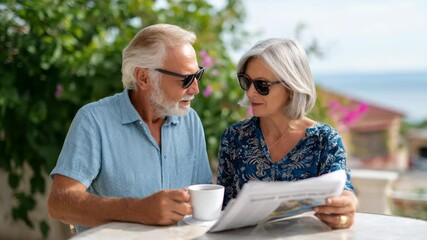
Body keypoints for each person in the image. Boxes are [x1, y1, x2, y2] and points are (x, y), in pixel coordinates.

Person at [47, 24, 212, 233]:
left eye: (198, 75)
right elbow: (60, 203)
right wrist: (137, 210)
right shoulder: (94, 120)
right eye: (185, 79)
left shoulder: (191, 121)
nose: (195, 88)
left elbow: (200, 200)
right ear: (143, 78)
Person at [216, 38, 358, 229]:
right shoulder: (235, 138)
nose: (250, 93)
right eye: (246, 82)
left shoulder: (324, 140)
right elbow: (223, 207)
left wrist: (345, 208)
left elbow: (343, 192)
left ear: (291, 87)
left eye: (262, 85)